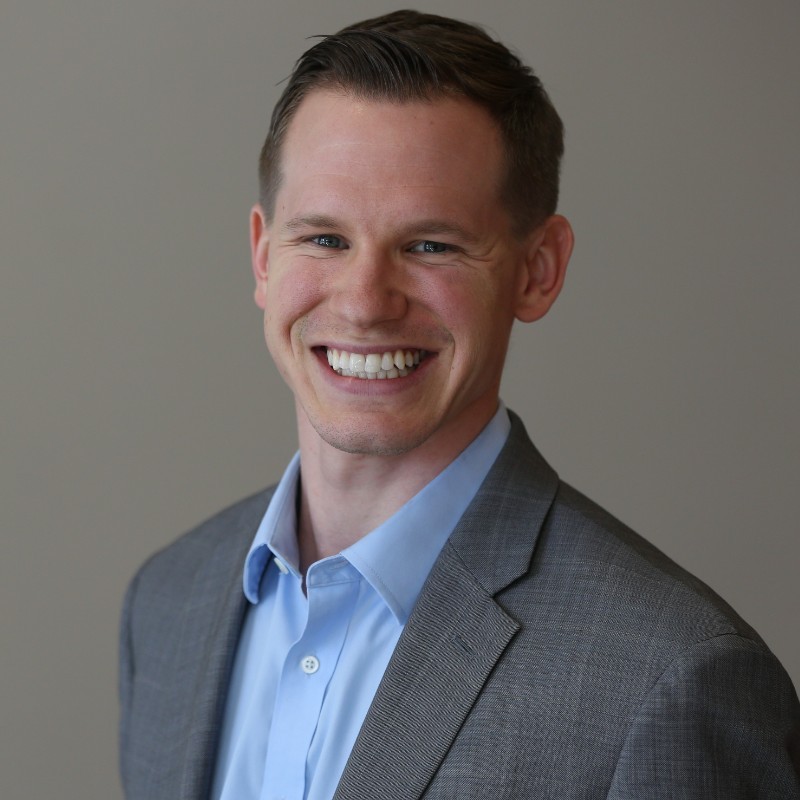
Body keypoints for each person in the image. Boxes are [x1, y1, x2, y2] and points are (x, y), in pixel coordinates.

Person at [118, 10, 800, 799]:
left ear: (538, 271)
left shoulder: (672, 679)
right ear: (264, 258)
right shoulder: (168, 605)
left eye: (430, 245)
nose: (366, 302)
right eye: (325, 240)